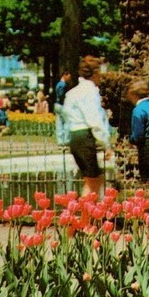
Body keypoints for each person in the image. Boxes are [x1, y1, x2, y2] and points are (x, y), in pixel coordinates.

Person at [63, 56, 112, 196]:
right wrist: (106, 143)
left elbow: (66, 116)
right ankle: (87, 216)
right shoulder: (90, 92)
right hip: (85, 137)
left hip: (75, 136)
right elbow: (95, 120)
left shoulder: (72, 93)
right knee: (93, 182)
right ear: (95, 73)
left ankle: (89, 215)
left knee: (92, 180)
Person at [53, 71, 72, 146]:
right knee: (67, 122)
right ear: (65, 75)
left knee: (59, 123)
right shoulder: (63, 85)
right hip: (62, 105)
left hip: (57, 105)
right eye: (69, 76)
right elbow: (62, 95)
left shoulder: (58, 84)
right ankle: (66, 140)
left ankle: (60, 141)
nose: (69, 79)